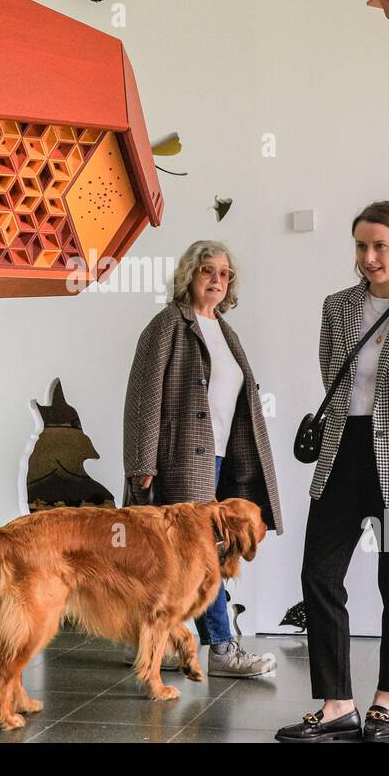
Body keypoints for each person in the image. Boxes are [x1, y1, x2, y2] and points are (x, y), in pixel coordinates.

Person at [276, 200, 389, 743]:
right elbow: (333, 378)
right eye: (361, 245)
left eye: (380, 245)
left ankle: (385, 701)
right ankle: (337, 704)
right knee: (319, 573)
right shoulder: (337, 307)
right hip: (343, 455)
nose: (369, 256)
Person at [122, 239, 282, 677]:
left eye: (224, 273)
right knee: (202, 556)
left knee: (194, 557)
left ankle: (158, 643)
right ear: (189, 275)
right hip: (180, 459)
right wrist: (142, 462)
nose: (216, 279)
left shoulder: (226, 331)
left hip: (223, 458)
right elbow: (143, 397)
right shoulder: (168, 324)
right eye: (207, 270)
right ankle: (223, 649)